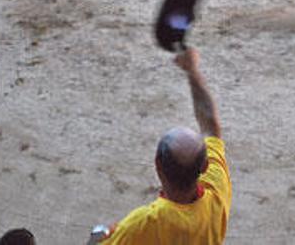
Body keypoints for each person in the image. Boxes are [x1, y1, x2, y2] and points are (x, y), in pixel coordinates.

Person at [98, 48, 231, 244]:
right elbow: (210, 127)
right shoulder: (216, 194)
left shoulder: (143, 224)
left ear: (157, 166)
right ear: (205, 166)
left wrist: (99, 235)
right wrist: (193, 70)